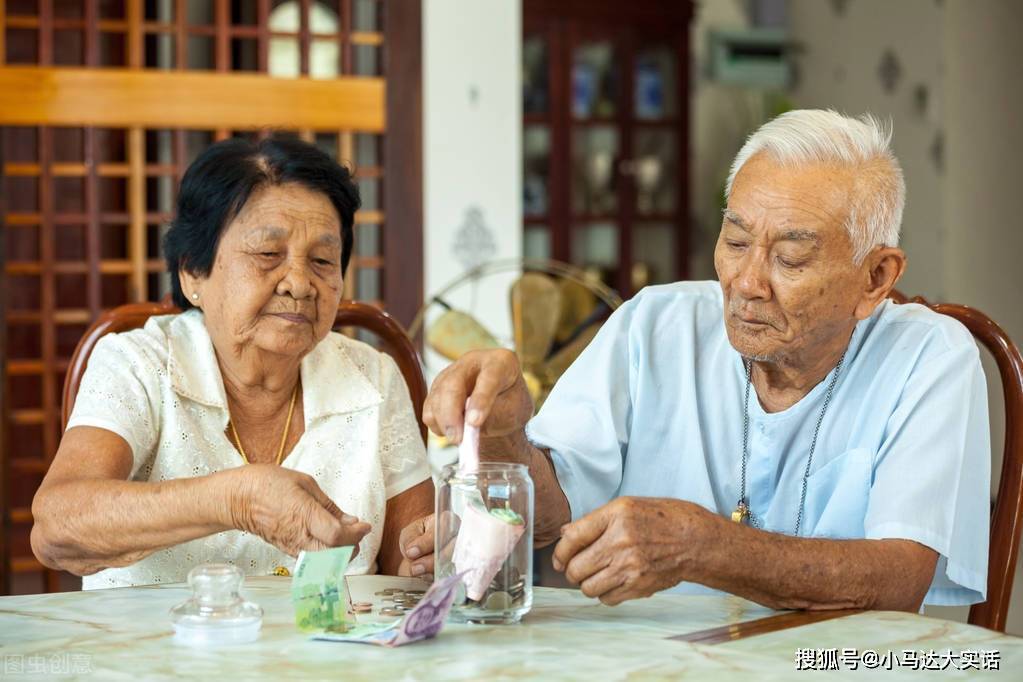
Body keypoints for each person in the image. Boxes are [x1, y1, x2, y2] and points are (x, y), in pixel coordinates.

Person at [401, 110, 990, 611]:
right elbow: (559, 516)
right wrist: (505, 436)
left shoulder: (930, 358)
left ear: (876, 276)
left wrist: (704, 547)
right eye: (735, 243)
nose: (747, 283)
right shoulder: (656, 324)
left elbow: (899, 580)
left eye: (790, 257)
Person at [31, 135, 433, 588]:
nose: (300, 283)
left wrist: (436, 552)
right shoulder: (138, 364)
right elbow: (56, 528)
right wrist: (237, 500)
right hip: (156, 655)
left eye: (322, 259)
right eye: (267, 254)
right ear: (192, 272)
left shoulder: (371, 376)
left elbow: (412, 566)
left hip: (324, 658)